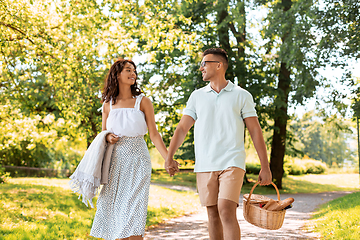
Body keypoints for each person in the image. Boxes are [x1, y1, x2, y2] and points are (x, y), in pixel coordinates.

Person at [165, 48, 272, 240]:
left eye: (205, 63)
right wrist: (169, 156)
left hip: (232, 161)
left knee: (225, 209)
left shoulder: (242, 95)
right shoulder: (197, 96)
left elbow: (255, 131)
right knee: (213, 214)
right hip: (205, 164)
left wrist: (265, 166)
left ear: (219, 65)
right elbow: (182, 128)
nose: (201, 68)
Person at [90, 59, 168, 240]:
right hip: (115, 162)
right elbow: (104, 134)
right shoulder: (107, 104)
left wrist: (167, 159)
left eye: (134, 71)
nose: (133, 74)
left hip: (138, 159)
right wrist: (109, 137)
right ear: (117, 75)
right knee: (116, 214)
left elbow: (154, 135)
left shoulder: (143, 102)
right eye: (128, 70)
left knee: (134, 213)